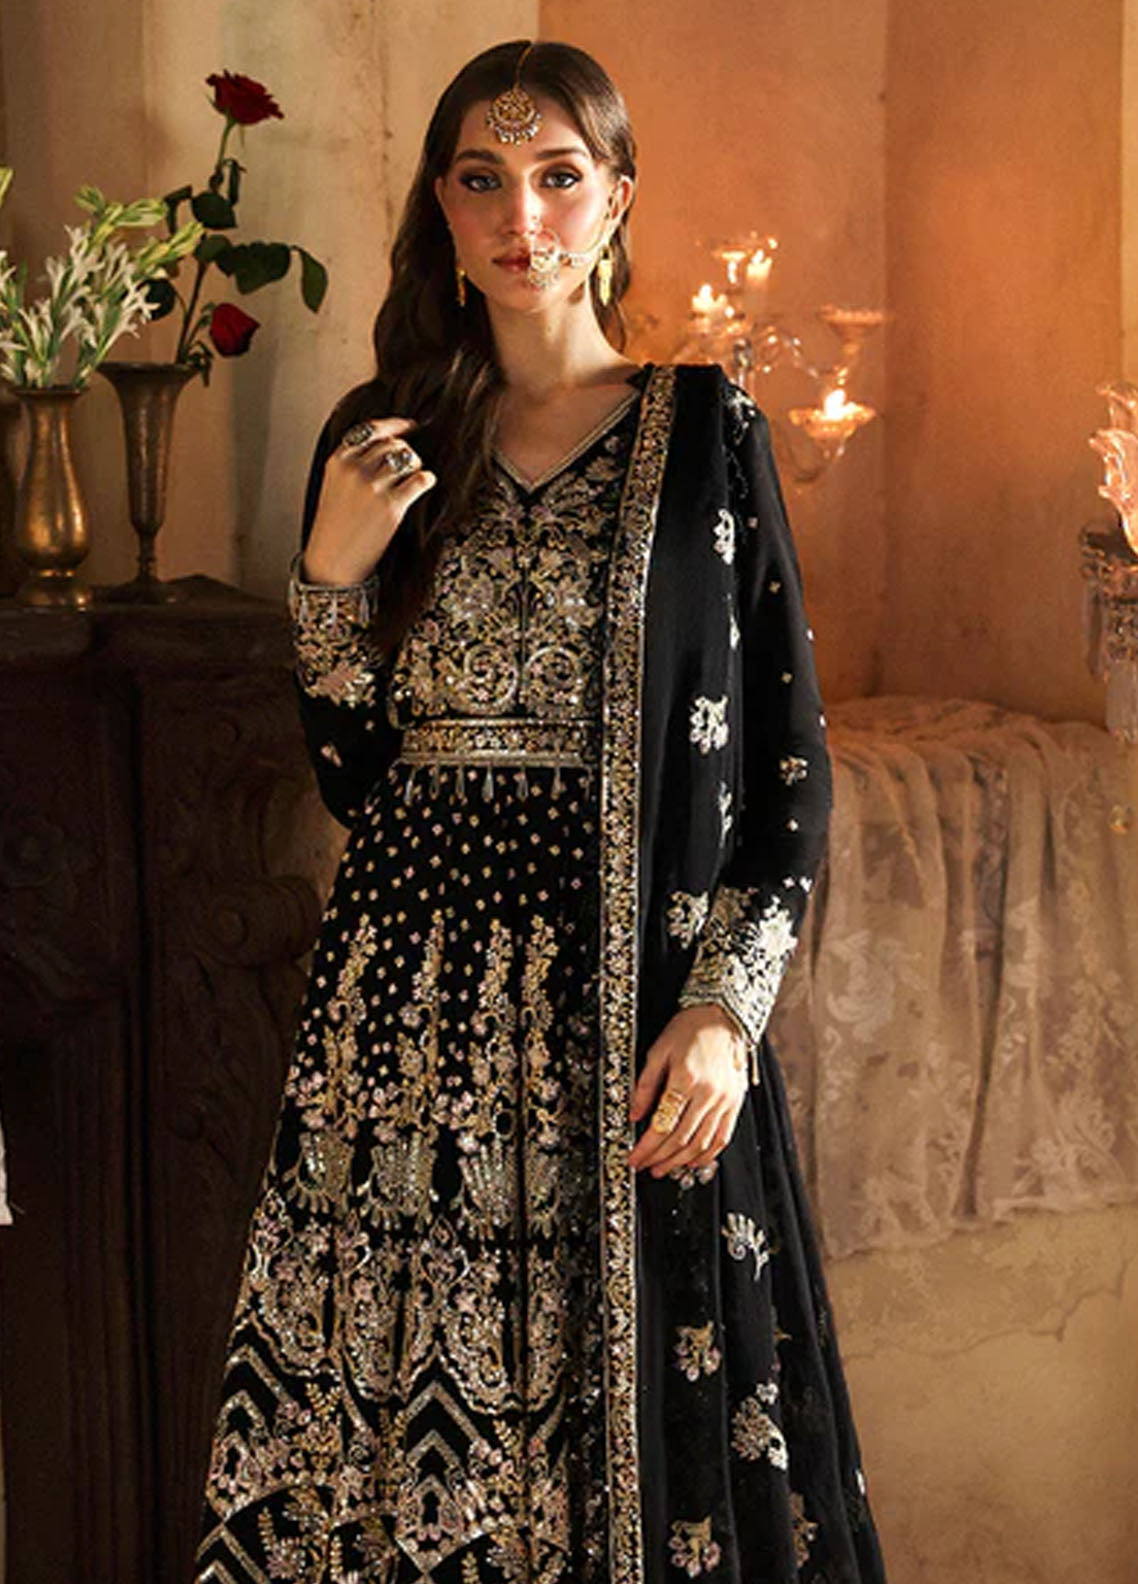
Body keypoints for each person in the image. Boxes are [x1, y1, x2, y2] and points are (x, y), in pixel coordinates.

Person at [194, 38, 887, 1584]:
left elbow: (790, 759)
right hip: (409, 1015)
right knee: (407, 1431)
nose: (522, 218)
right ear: (440, 211)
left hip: (633, 998)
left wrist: (726, 1008)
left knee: (636, 1417)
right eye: (482, 180)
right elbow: (354, 775)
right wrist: (327, 582)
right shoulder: (382, 440)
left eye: (559, 178)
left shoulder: (702, 431)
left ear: (617, 197)